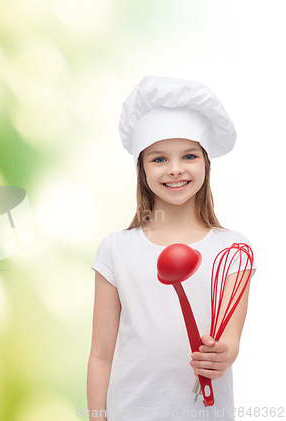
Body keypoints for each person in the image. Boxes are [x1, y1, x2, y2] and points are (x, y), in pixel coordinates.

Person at [87, 76, 257, 420]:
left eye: (189, 155)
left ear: (206, 163)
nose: (176, 169)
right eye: (159, 159)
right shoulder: (116, 250)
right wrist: (96, 416)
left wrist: (222, 354)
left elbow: (231, 341)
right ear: (141, 168)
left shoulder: (233, 250)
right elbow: (101, 354)